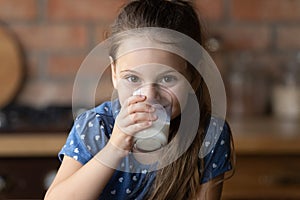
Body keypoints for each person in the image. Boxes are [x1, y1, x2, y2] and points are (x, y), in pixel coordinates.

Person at [44, 0, 234, 199]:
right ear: (115, 73)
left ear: (194, 77)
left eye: (167, 78)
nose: (150, 96)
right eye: (133, 78)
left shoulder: (208, 135)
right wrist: (115, 148)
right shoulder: (97, 126)